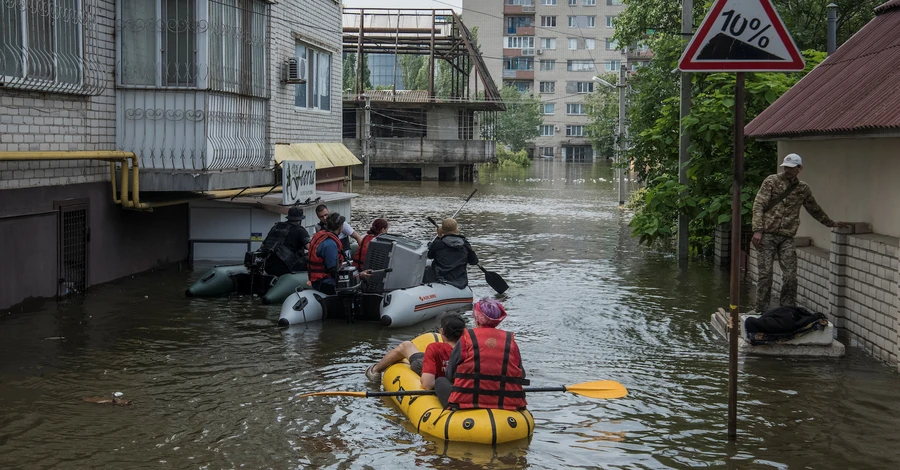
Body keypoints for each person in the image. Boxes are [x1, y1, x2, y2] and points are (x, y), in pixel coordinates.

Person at [751, 153, 848, 313]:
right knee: (765, 275)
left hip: (787, 237)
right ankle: (761, 309)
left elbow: (813, 208)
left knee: (790, 276)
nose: (788, 171)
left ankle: (787, 309)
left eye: (791, 168)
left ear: (799, 168)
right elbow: (758, 205)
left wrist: (830, 223)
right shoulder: (771, 181)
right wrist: (758, 230)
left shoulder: (803, 189)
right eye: (786, 168)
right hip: (767, 235)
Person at [434, 298, 528, 410]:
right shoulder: (510, 341)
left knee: (440, 381)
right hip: (507, 404)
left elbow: (450, 375)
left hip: (468, 402)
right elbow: (521, 375)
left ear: (477, 320)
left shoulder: (466, 338)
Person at [365, 314, 466, 390]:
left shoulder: (435, 348)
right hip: (457, 383)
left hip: (431, 373)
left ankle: (375, 371)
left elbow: (427, 384)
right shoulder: (471, 348)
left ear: (441, 331)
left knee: (406, 346)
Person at [427, 218, 478, 289]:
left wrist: (438, 237)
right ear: (457, 229)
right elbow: (474, 261)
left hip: (441, 279)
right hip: (461, 281)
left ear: (442, 230)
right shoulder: (465, 244)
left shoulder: (438, 244)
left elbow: (429, 256)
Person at [258, 207, 310, 276]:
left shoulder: (276, 227)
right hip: (288, 268)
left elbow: (262, 245)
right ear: (300, 220)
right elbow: (311, 248)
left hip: (269, 267)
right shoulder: (300, 230)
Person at [307, 212, 346, 295]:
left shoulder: (320, 235)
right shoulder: (330, 244)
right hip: (324, 282)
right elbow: (332, 269)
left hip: (317, 280)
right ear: (340, 227)